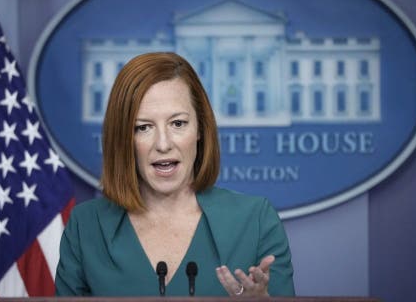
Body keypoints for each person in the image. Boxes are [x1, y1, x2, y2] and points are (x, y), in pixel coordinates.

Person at [55, 52, 295, 297]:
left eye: (178, 123)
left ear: (200, 129)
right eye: (143, 127)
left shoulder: (256, 221)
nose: (163, 143)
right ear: (124, 138)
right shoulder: (85, 227)